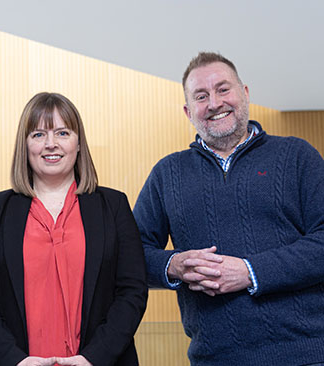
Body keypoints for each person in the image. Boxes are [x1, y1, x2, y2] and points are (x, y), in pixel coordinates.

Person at [133, 51, 324, 365]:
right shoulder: (167, 173)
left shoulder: (297, 156)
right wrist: (175, 265)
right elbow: (131, 254)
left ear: (245, 93)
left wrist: (250, 272)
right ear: (188, 110)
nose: (214, 103)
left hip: (306, 355)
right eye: (201, 96)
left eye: (223, 89)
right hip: (214, 358)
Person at [0, 92, 148, 366]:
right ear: (25, 145)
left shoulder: (114, 205)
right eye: (38, 135)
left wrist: (94, 358)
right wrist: (13, 360)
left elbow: (132, 290)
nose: (51, 144)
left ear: (78, 143)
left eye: (62, 133)